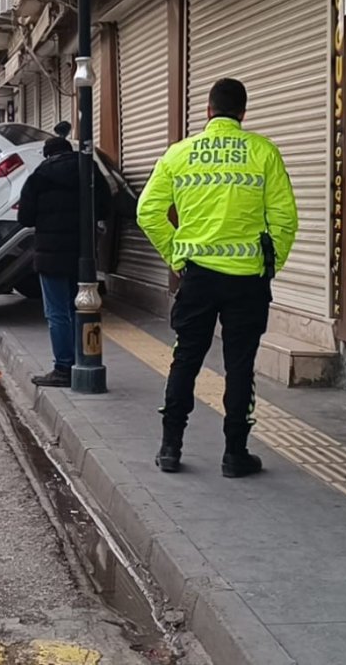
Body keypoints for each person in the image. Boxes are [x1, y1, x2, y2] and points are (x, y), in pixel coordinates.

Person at [137, 78, 298, 477]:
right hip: (247, 281)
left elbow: (148, 212)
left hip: (198, 279)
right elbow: (285, 219)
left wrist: (177, 255)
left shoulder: (180, 153)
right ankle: (234, 454)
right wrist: (268, 263)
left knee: (185, 359)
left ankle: (170, 447)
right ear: (242, 113)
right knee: (240, 365)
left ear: (208, 111)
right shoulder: (263, 153)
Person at [17, 135, 110, 388]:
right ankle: (84, 360)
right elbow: (105, 205)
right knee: (80, 308)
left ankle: (63, 369)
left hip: (51, 255)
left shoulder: (39, 176)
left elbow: (24, 218)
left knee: (57, 313)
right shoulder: (88, 168)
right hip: (82, 255)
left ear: (47, 155)